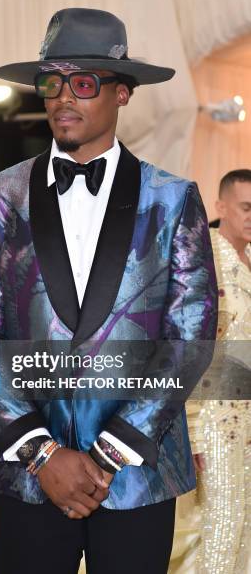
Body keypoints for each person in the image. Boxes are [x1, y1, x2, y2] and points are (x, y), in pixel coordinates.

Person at [0, 8, 218, 574]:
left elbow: (189, 334)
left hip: (135, 474)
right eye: (51, 82)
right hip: (27, 474)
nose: (62, 98)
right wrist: (43, 452)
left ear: (122, 94)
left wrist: (108, 453)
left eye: (83, 83)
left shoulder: (173, 200)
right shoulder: (0, 197)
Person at [170, 169, 251, 574]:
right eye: (247, 207)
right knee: (220, 524)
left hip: (249, 417)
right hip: (216, 419)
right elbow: (192, 350)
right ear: (221, 207)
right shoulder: (207, 261)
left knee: (244, 525)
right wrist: (194, 430)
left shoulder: (250, 262)